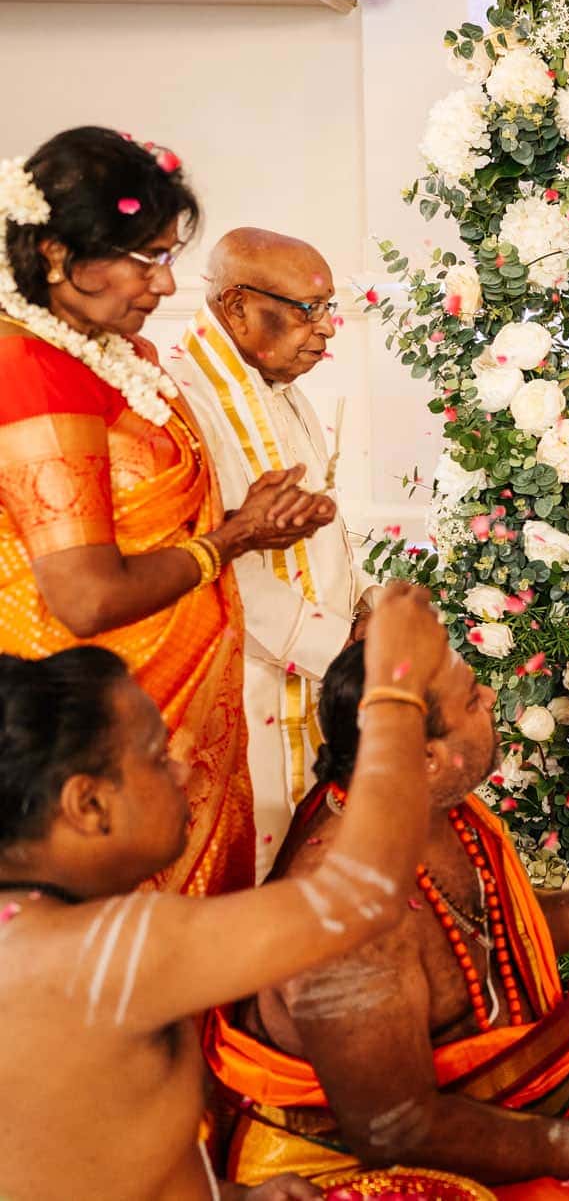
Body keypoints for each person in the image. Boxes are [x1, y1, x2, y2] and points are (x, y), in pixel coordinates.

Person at [206, 636, 569, 1200]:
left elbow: (491, 934)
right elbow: (398, 1127)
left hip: (490, 1097)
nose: (489, 695)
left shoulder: (426, 803)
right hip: (356, 1161)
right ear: (428, 757)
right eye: (469, 699)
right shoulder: (347, 918)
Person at [0, 582, 445, 1201]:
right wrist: (395, 686)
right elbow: (359, 898)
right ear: (89, 804)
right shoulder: (105, 951)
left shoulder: (31, 934)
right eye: (157, 755)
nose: (184, 767)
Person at [0, 128, 334, 897]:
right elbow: (86, 597)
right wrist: (233, 537)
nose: (166, 282)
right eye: (145, 258)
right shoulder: (32, 370)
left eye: (167, 255)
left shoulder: (119, 356)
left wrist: (249, 518)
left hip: (175, 707)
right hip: (92, 730)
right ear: (56, 253)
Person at [171, 228, 363, 878]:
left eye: (329, 309)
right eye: (310, 310)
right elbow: (216, 571)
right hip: (246, 690)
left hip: (312, 675)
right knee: (253, 875)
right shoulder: (186, 402)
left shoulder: (281, 388)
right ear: (236, 306)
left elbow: (322, 530)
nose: (327, 329)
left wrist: (363, 600)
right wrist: (343, 648)